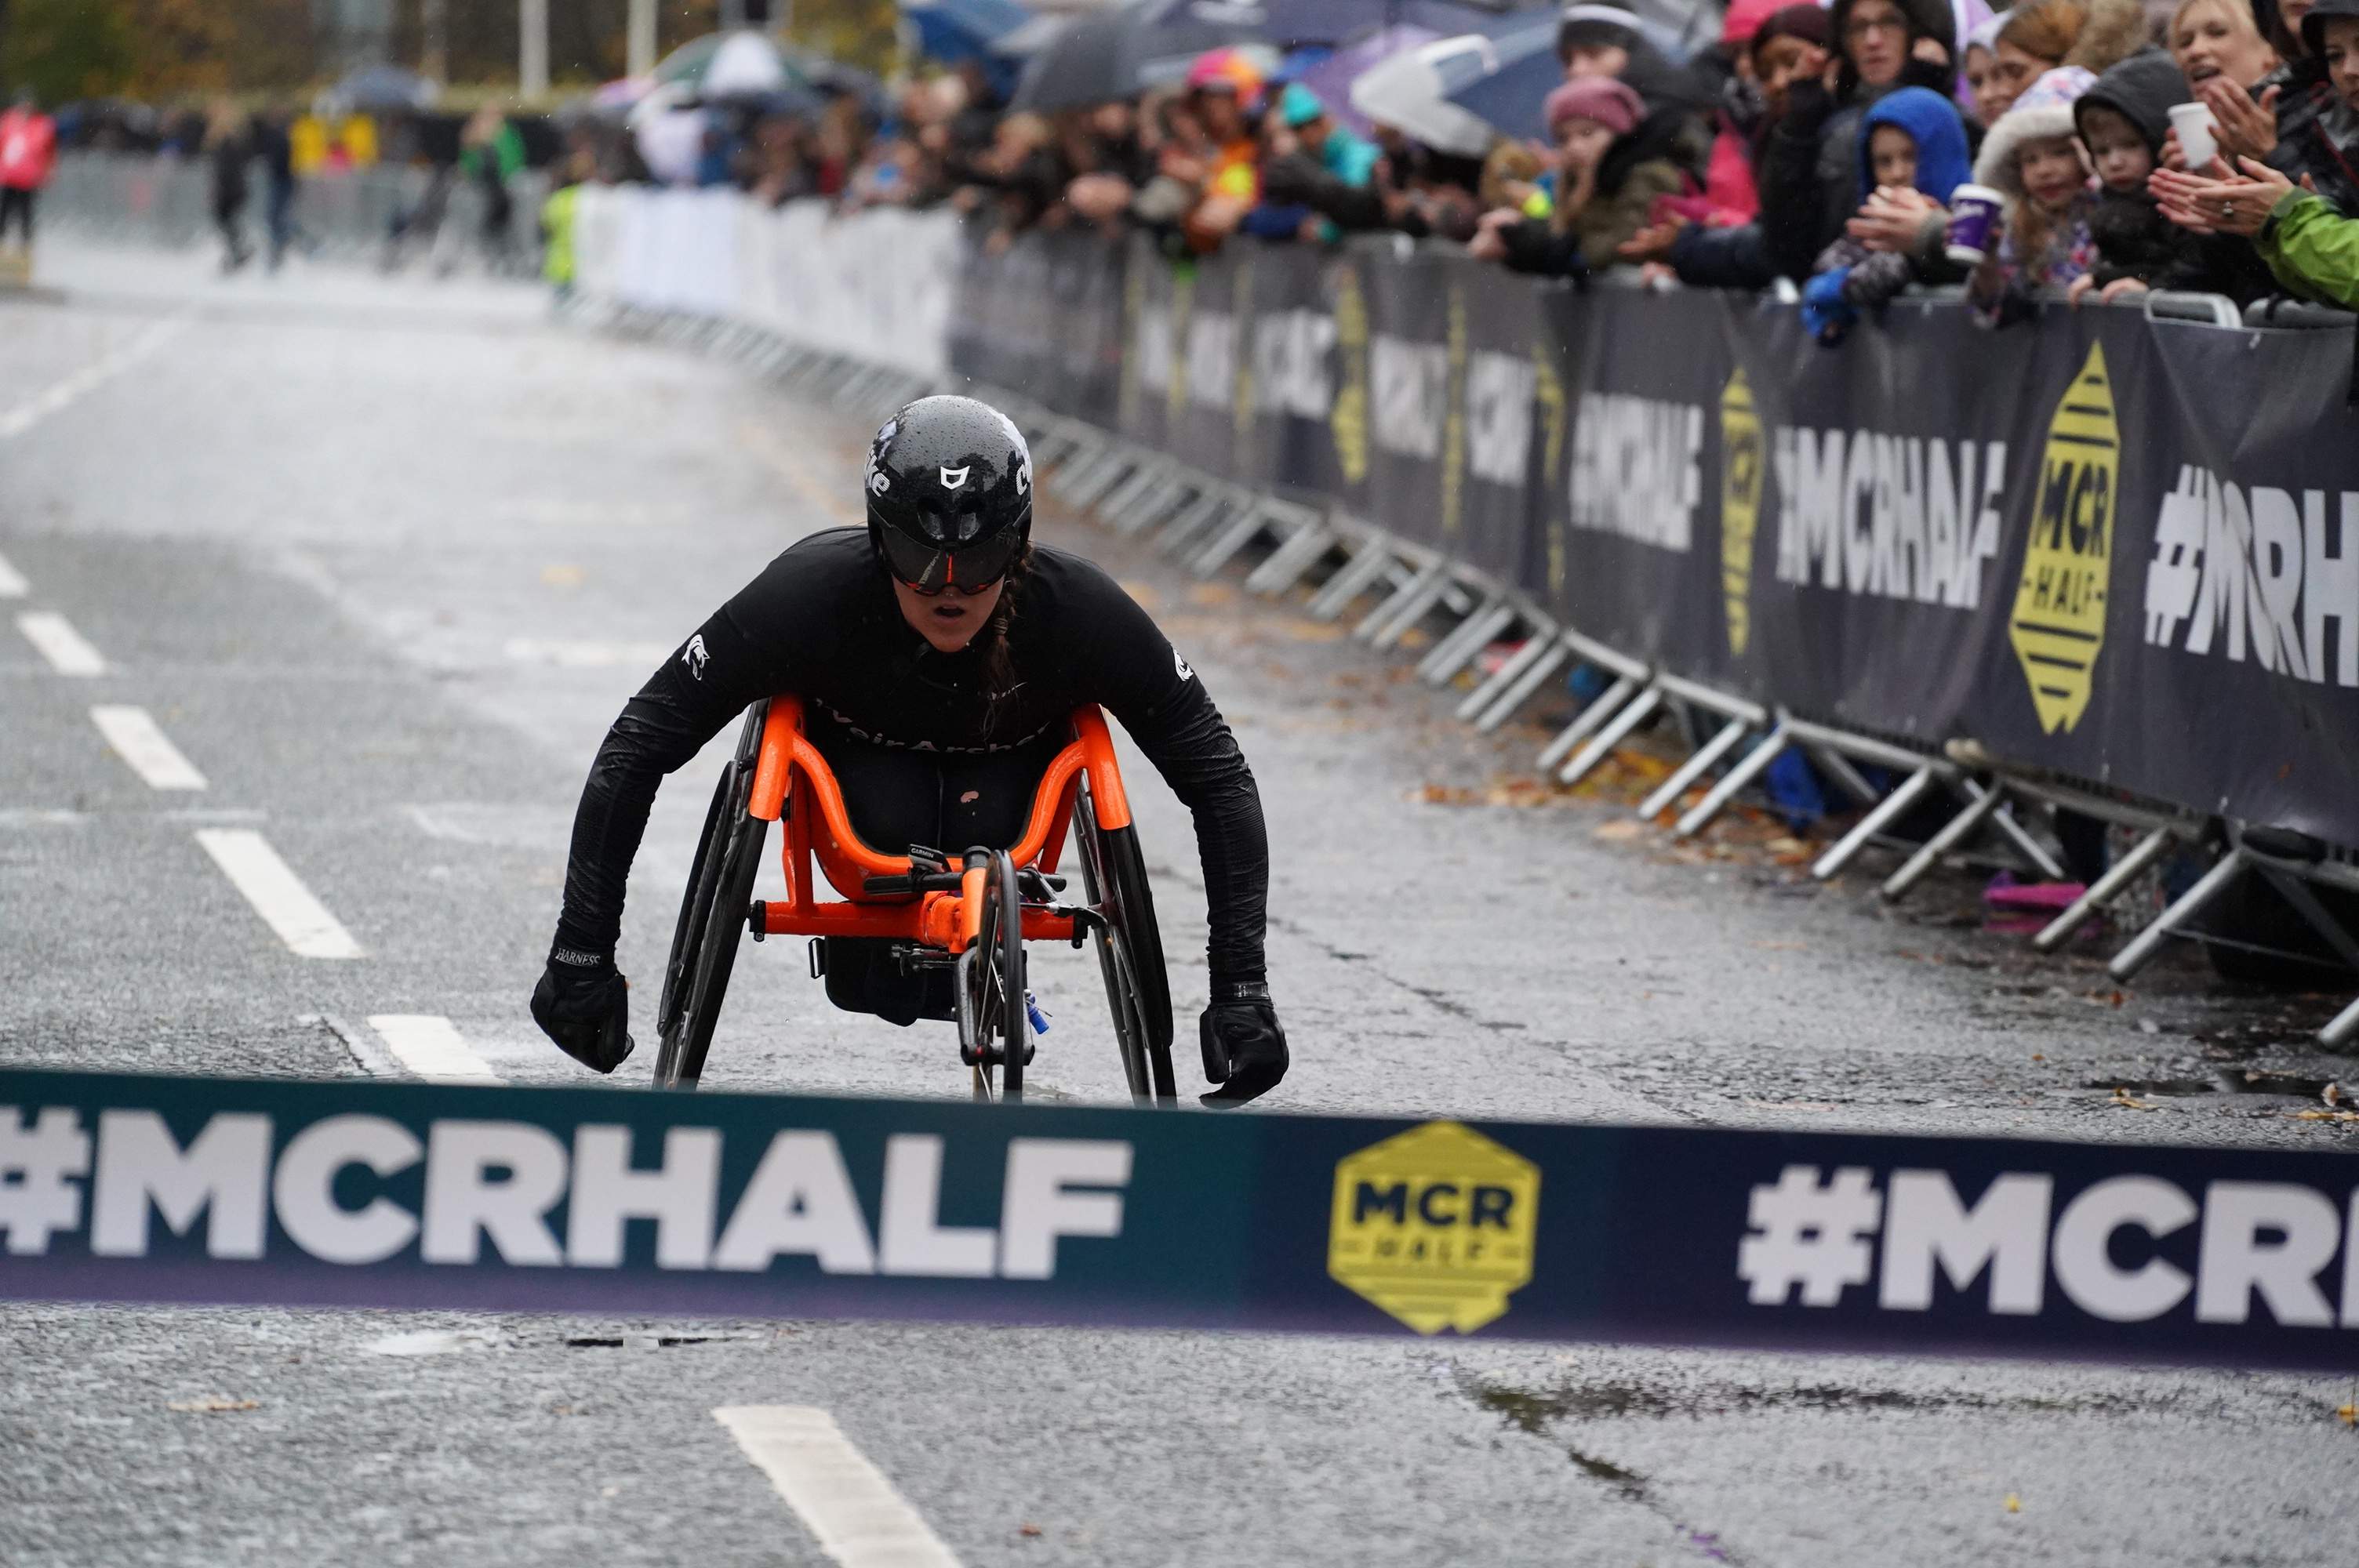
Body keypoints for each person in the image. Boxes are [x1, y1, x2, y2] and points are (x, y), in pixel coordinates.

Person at [533, 395, 1289, 1109]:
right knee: (874, 936)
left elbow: (1218, 779)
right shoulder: (807, 594)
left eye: (979, 558)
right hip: (857, 814)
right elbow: (639, 743)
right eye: (919, 558)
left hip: (1008, 807)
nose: (948, 588)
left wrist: (1241, 990)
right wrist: (582, 955)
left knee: (984, 829)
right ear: (876, 536)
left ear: (1018, 544)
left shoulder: (1082, 612)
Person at [1759, 0, 1959, 282]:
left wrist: (1916, 97)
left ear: (1922, 32)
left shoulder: (1960, 125)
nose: (1872, 40)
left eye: (1890, 22)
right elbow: (1787, 248)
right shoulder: (1833, 129)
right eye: (1858, 27)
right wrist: (1799, 125)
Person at [2070, 46, 2282, 304]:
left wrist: (2154, 291)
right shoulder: (2111, 205)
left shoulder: (2181, 201)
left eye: (2130, 145)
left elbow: (2194, 267)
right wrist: (2099, 281)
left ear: (2158, 135)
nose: (2114, 162)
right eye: (2102, 151)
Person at [1801, 85, 1976, 341]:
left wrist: (1844, 288)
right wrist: (1827, 299)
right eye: (1884, 162)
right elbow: (1831, 265)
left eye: (1911, 157)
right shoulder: (1871, 226)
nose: (1897, 174)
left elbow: (1902, 268)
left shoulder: (1971, 221)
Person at [1469, 78, 1691, 277]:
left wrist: (1533, 243)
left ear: (1620, 132)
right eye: (1564, 139)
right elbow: (1563, 231)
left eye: (1588, 133)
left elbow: (1623, 246)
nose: (1575, 147)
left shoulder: (1648, 175)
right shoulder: (1572, 182)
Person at [1967, 67, 2102, 321]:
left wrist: (2098, 176)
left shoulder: (2105, 213)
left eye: (2061, 153)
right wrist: (1987, 269)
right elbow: (1997, 315)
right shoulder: (2023, 229)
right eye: (2030, 160)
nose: (2044, 170)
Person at [0, 88, 57, 268]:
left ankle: (26, 250)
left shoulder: (42, 124)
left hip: (29, 179)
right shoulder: (8, 121)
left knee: (26, 214)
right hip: (9, 177)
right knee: (5, 212)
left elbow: (48, 152)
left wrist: (48, 173)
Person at [205, 102, 253, 273]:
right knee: (228, 222)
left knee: (225, 221)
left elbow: (225, 170)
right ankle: (237, 252)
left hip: (230, 190)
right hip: (235, 189)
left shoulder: (226, 144)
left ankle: (238, 252)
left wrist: (219, 189)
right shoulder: (233, 142)